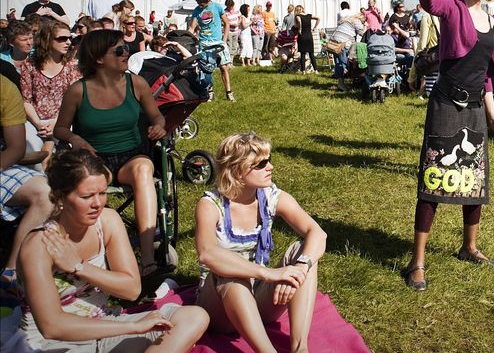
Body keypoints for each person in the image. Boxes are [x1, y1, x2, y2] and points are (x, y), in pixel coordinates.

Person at [16, 150, 207, 351]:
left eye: (102, 193)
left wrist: (79, 266)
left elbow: (132, 290)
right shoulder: (39, 245)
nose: (97, 203)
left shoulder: (107, 221)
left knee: (194, 317)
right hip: (53, 344)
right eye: (87, 196)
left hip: (108, 326)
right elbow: (51, 327)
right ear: (60, 197)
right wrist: (134, 327)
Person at [404, 0, 494, 292]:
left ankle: (469, 247)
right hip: (446, 104)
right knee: (435, 179)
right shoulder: (453, 7)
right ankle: (417, 262)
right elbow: (429, 2)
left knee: (473, 180)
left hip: (477, 108)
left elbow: (487, 78)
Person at [53, 29, 170, 276]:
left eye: (125, 48)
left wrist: (159, 125)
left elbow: (157, 115)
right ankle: (84, 250)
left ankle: (148, 258)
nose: (126, 52)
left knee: (144, 169)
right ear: (98, 58)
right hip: (96, 160)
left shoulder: (136, 83)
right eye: (118, 50)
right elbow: (60, 129)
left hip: (132, 155)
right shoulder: (78, 91)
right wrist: (75, 137)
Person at [195, 133, 325, 353]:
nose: (270, 167)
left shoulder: (271, 196)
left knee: (302, 251)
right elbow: (207, 254)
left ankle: (300, 348)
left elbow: (317, 233)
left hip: (258, 300)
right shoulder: (210, 205)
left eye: (269, 159)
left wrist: (300, 268)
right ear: (237, 171)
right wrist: (269, 274)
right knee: (229, 271)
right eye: (261, 164)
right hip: (219, 308)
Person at [1, 72, 54, 292]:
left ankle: (12, 272)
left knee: (47, 193)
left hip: (3, 162)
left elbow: (15, 148)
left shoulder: (4, 88)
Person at [21, 18, 81, 172]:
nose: (67, 42)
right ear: (47, 40)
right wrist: (38, 123)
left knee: (56, 154)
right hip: (35, 120)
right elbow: (25, 99)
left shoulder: (72, 66)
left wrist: (56, 123)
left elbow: (77, 101)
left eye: (69, 38)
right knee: (29, 152)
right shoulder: (30, 65)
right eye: (62, 38)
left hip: (65, 119)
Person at [189, 0, 235, 101]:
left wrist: (224, 39)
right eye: (199, 4)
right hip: (204, 43)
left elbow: (227, 23)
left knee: (224, 68)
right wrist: (187, 36)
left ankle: (229, 93)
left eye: (202, 4)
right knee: (207, 70)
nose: (200, 6)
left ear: (208, 0)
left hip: (218, 42)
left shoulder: (217, 7)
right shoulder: (197, 10)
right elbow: (192, 27)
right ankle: (210, 92)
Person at [293, 6, 319, 74]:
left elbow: (299, 21)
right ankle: (316, 70)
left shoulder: (298, 16)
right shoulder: (309, 15)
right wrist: (314, 27)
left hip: (302, 36)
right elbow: (318, 18)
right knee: (311, 54)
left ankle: (303, 70)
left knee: (302, 54)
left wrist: (300, 28)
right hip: (309, 36)